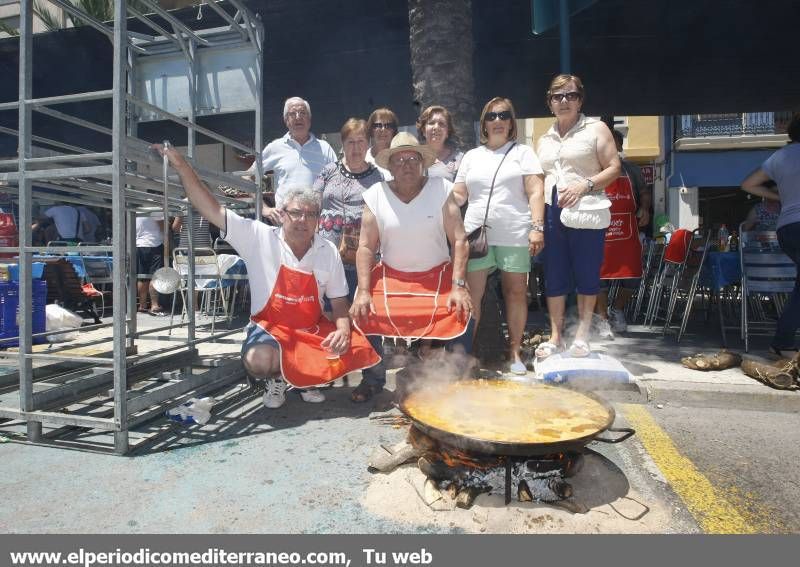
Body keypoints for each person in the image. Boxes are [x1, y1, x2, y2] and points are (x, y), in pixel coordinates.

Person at [155, 144, 380, 409]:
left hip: (311, 330)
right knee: (258, 361)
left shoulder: (326, 249)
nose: (302, 220)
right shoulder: (257, 237)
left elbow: (340, 304)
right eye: (296, 213)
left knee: (359, 346)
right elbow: (210, 208)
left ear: (318, 220)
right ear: (282, 214)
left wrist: (343, 330)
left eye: (310, 214)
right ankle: (279, 379)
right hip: (270, 329)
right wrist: (181, 165)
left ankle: (306, 377)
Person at [350, 133, 472, 390]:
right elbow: (365, 247)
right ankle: (372, 379)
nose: (406, 164)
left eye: (412, 158)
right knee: (362, 309)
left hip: (436, 277)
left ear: (422, 163)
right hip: (391, 276)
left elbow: (460, 240)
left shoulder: (441, 189)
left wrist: (459, 285)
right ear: (390, 166)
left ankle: (457, 380)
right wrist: (362, 291)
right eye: (399, 159)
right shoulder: (376, 194)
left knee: (463, 308)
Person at [451, 97, 545, 374]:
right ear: (484, 123)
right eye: (491, 116)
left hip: (515, 232)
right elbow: (458, 194)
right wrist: (432, 193)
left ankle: (514, 354)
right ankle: (465, 355)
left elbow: (536, 191)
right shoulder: (471, 156)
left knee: (515, 292)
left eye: (504, 115)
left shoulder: (524, 153)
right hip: (477, 234)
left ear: (511, 121)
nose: (497, 121)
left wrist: (537, 227)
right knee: (472, 295)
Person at [535, 74, 621, 358]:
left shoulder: (597, 129)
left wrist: (586, 185)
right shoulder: (544, 138)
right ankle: (556, 336)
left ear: (580, 100)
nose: (564, 101)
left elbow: (614, 167)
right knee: (554, 274)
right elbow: (539, 178)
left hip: (586, 210)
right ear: (549, 103)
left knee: (587, 273)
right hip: (551, 210)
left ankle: (582, 336)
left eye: (570, 95)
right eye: (557, 96)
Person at [313, 118, 387, 402]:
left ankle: (373, 378)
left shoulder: (379, 177)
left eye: (360, 142)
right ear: (341, 144)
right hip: (328, 258)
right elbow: (312, 202)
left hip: (363, 260)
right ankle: (326, 371)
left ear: (367, 144)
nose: (355, 148)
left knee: (366, 319)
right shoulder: (328, 172)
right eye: (349, 142)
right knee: (327, 318)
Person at [741, 113, 800, 357]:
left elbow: (748, 184)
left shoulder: (780, 156)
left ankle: (783, 340)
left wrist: (782, 199)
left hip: (787, 227)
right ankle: (782, 340)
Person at [593, 129, 652, 339]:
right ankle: (602, 320)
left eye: (614, 143)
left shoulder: (632, 170)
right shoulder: (593, 169)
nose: (610, 148)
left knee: (633, 278)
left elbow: (644, 192)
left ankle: (617, 310)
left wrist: (645, 208)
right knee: (599, 279)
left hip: (627, 232)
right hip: (601, 231)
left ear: (619, 146)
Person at [246, 97, 337, 224]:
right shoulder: (275, 147)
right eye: (292, 113)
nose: (298, 117)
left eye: (303, 112)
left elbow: (338, 182)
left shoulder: (325, 148)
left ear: (309, 120)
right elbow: (247, 176)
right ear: (286, 120)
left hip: (316, 224)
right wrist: (264, 209)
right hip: (284, 223)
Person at [417, 105, 463, 182]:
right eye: (431, 123)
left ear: (448, 132)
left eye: (441, 124)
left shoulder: (461, 160)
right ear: (423, 131)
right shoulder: (414, 160)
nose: (436, 127)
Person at [135, 214, 166, 315]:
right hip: (154, 244)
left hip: (139, 244)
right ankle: (154, 305)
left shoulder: (138, 207)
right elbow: (162, 227)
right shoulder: (154, 206)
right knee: (155, 276)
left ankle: (142, 305)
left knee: (142, 276)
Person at [365, 107, 399, 181]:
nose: (383, 129)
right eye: (378, 125)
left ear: (394, 131)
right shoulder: (363, 159)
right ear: (371, 130)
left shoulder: (401, 157)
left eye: (388, 126)